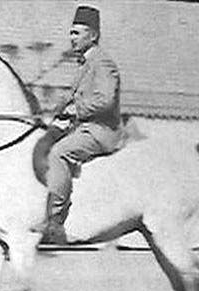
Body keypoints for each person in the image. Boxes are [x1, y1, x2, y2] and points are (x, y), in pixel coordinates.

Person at [33, 5, 123, 244]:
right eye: (71, 33)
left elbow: (105, 100)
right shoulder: (84, 64)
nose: (71, 38)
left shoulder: (103, 64)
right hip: (84, 128)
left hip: (102, 131)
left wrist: (76, 110)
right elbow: (71, 100)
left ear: (92, 35)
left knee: (59, 153)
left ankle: (55, 223)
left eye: (76, 33)